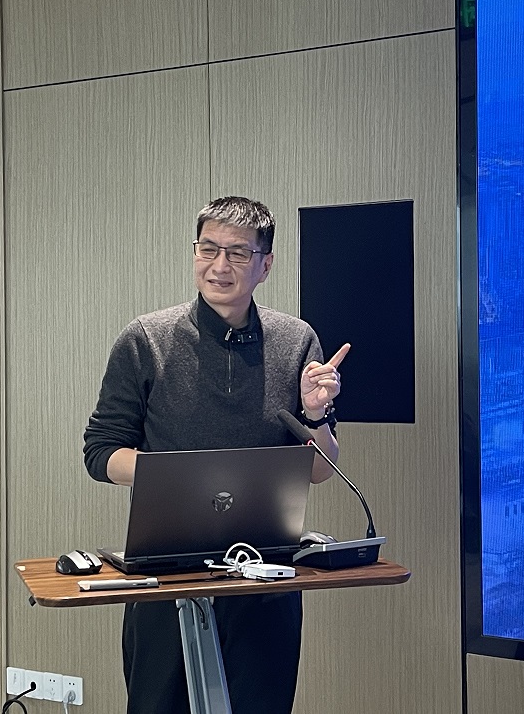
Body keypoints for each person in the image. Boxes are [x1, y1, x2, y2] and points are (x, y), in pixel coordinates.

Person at [83, 196, 349, 714]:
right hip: (166, 574)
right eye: (208, 249)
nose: (219, 266)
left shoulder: (298, 341)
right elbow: (100, 452)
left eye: (238, 253)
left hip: (266, 577)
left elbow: (320, 470)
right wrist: (183, 477)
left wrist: (316, 413)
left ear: (265, 264)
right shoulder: (146, 339)